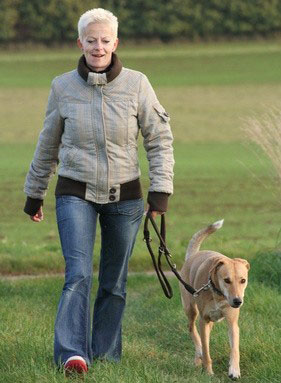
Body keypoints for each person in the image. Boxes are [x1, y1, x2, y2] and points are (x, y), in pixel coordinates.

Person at [23, 7, 174, 376]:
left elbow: (159, 139)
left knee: (114, 282)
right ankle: (73, 354)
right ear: (80, 42)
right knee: (78, 274)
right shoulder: (62, 87)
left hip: (127, 198)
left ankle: (106, 355)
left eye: (105, 40)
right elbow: (47, 143)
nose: (98, 46)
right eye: (91, 40)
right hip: (74, 192)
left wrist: (160, 192)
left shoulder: (138, 84)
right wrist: (34, 192)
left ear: (115, 43)